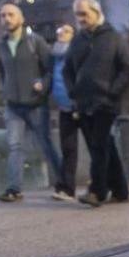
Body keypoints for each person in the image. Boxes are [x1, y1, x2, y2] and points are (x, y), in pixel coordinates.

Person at [63, 0, 129, 208]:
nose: (81, 18)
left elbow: (128, 69)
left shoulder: (113, 38)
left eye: (84, 14)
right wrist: (72, 91)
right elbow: (67, 69)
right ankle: (121, 190)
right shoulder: (77, 40)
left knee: (98, 146)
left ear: (96, 12)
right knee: (105, 146)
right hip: (83, 103)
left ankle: (97, 191)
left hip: (106, 103)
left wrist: (113, 92)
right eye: (77, 14)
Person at [0, 2, 65, 202]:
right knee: (15, 146)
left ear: (21, 18)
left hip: (35, 104)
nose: (6, 19)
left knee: (45, 144)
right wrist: (4, 91)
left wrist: (43, 85)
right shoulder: (2, 46)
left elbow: (50, 69)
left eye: (10, 14)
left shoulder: (36, 41)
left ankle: (63, 185)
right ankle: (14, 188)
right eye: (3, 15)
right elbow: (1, 72)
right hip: (13, 105)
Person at [50, 24, 79, 200]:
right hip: (63, 107)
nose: (61, 34)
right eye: (59, 31)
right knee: (68, 147)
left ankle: (105, 183)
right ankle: (66, 187)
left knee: (95, 146)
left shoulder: (76, 52)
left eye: (66, 31)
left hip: (79, 105)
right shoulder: (54, 54)